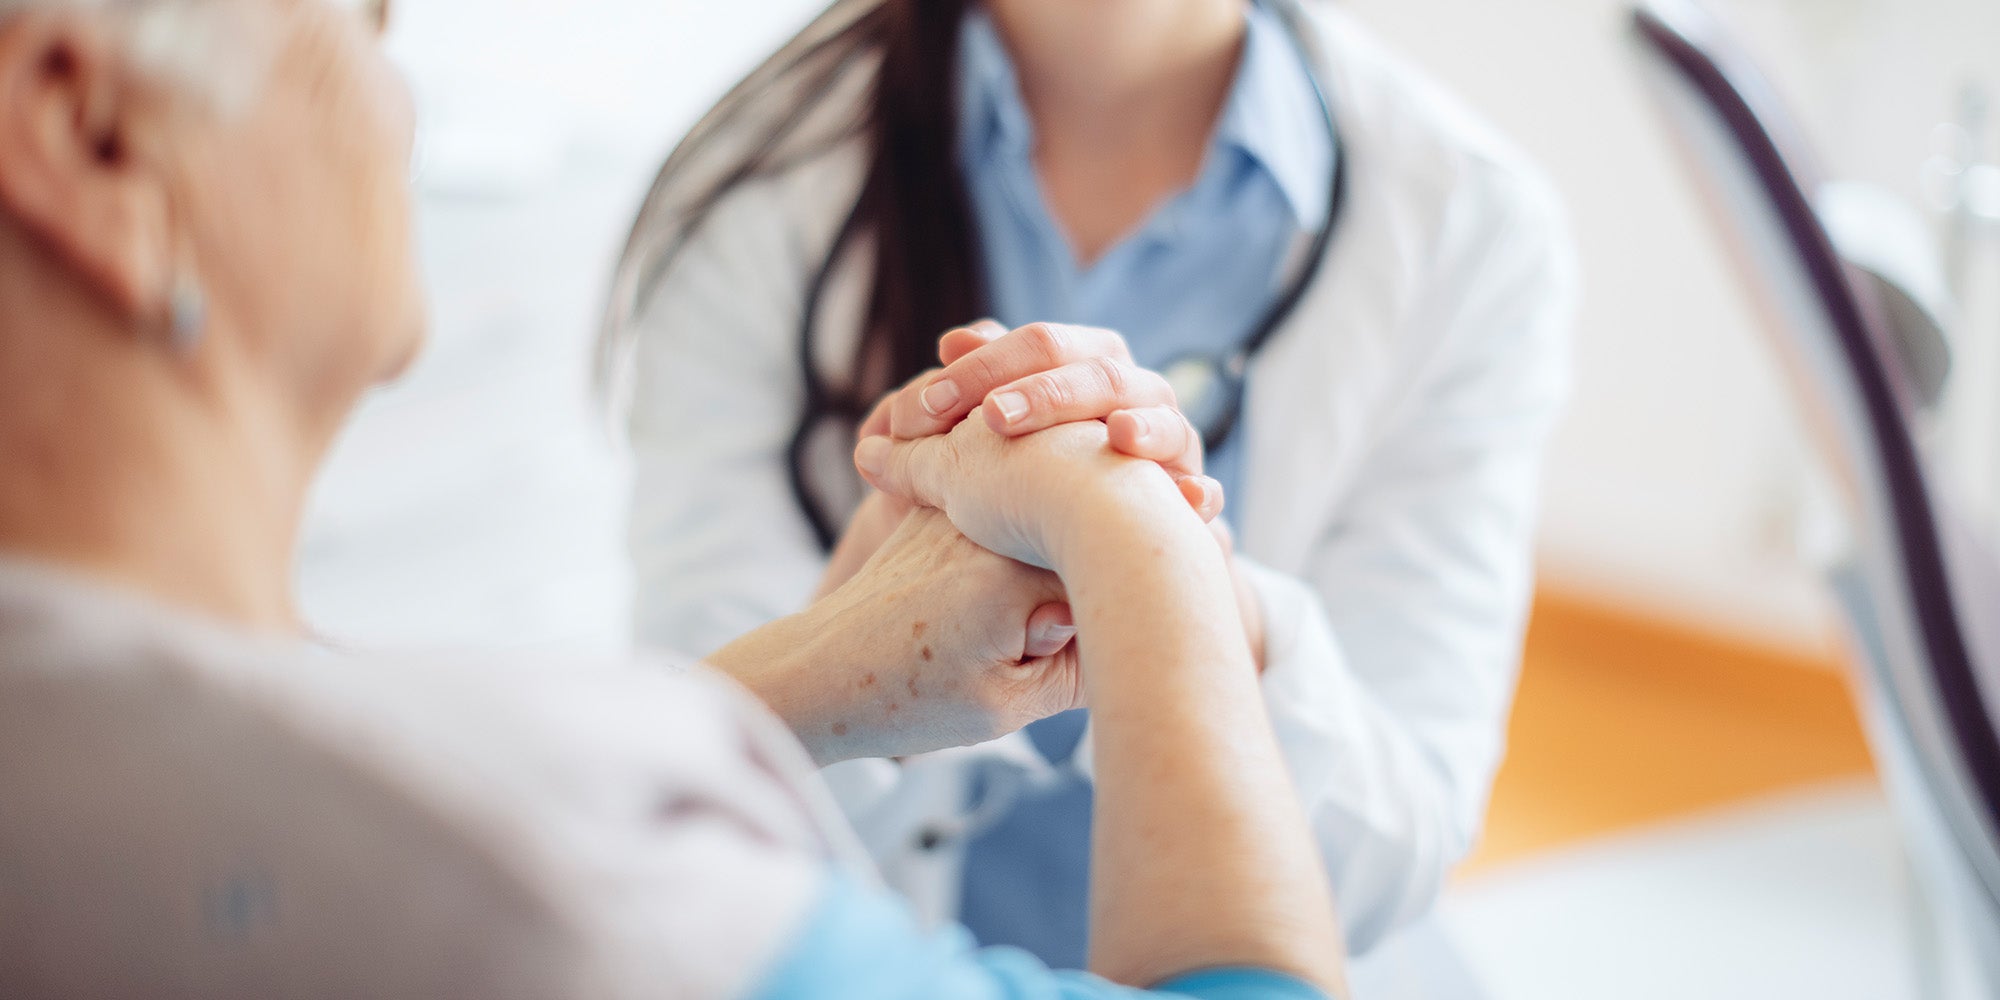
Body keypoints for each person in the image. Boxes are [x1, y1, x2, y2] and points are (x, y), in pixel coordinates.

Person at [0, 0, 1345, 996]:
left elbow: (339, 755)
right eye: (350, 13)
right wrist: (1135, 536)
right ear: (93, 136)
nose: (394, 42)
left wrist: (818, 671)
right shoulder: (548, 890)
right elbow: (469, 825)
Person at [604, 0, 1577, 976]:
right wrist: (860, 621)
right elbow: (686, 817)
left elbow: (1392, 841)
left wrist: (1171, 579)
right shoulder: (755, 183)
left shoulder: (1468, 221)